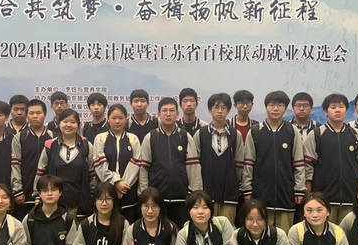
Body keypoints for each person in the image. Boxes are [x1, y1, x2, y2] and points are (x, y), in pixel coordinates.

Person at [243, 91, 306, 233]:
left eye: (280, 105)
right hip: (261, 194)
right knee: (260, 235)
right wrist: (247, 188)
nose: (275, 109)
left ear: (286, 108)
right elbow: (248, 164)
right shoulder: (256, 131)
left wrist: (299, 189)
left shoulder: (291, 131)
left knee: (285, 236)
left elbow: (298, 163)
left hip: (286, 194)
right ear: (266, 107)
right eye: (272, 105)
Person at [303, 93, 358, 224]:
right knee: (325, 233)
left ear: (346, 110)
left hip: (350, 198)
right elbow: (308, 166)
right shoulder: (316, 134)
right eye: (333, 107)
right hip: (323, 200)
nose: (337, 110)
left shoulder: (355, 134)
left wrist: (355, 182)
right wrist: (309, 194)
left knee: (347, 234)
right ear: (326, 111)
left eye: (341, 107)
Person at [139, 97, 202, 228]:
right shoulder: (151, 137)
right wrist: (145, 194)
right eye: (165, 111)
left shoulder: (185, 137)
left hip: (182, 199)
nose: (168, 114)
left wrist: (194, 194)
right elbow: (143, 169)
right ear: (158, 114)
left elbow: (194, 168)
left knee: (181, 233)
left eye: (172, 111)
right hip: (157, 201)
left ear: (177, 114)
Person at [194, 93, 248, 224]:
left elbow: (240, 165)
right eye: (216, 107)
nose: (219, 111)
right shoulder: (201, 134)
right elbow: (195, 165)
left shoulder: (235, 135)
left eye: (223, 108)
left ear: (228, 111)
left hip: (229, 195)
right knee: (206, 229)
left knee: (226, 230)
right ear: (209, 110)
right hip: (205, 196)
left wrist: (233, 183)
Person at [36, 109, 97, 219]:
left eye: (73, 122)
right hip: (54, 204)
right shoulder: (50, 145)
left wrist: (92, 195)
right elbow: (40, 172)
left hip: (80, 203)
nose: (68, 125)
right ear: (59, 124)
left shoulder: (86, 146)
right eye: (65, 121)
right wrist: (37, 195)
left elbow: (92, 174)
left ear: (78, 125)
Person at [93, 104, 142, 223]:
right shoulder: (100, 138)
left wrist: (123, 186)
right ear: (108, 119)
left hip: (128, 192)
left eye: (121, 118)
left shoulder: (133, 139)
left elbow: (136, 164)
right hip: (106, 192)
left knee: (128, 227)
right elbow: (99, 165)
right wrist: (115, 182)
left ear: (126, 119)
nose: (117, 121)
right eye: (113, 118)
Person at [11, 99, 53, 221]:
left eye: (38, 113)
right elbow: (15, 165)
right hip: (25, 193)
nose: (35, 116)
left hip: (49, 193)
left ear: (45, 115)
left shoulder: (53, 137)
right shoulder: (20, 137)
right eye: (31, 113)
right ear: (27, 115)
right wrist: (18, 190)